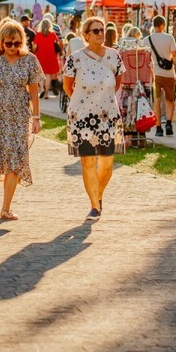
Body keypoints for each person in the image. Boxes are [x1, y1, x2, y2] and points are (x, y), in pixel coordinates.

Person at [0, 20, 43, 220]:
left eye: (17, 43)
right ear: (1, 42)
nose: (13, 47)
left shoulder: (29, 60)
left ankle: (6, 207)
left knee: (15, 159)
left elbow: (34, 91)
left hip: (18, 117)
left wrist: (36, 117)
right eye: (9, 43)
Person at [63, 16, 124, 222]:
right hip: (82, 118)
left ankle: (99, 196)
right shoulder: (75, 58)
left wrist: (101, 100)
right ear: (86, 35)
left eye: (102, 30)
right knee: (88, 162)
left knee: (106, 164)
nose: (100, 33)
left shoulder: (115, 56)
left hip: (108, 116)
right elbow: (67, 85)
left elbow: (117, 83)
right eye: (96, 31)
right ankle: (94, 206)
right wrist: (83, 105)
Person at [145, 15, 176, 137]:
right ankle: (168, 124)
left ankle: (158, 128)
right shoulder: (169, 38)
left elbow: (145, 58)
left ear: (153, 25)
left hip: (154, 74)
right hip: (168, 74)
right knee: (169, 99)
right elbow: (175, 55)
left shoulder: (146, 40)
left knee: (156, 100)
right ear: (162, 25)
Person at [32, 18, 62, 98]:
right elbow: (57, 43)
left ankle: (42, 89)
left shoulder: (38, 35)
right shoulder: (52, 34)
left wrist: (34, 50)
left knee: (41, 74)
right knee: (48, 75)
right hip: (51, 56)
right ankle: (46, 94)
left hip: (40, 56)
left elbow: (34, 47)